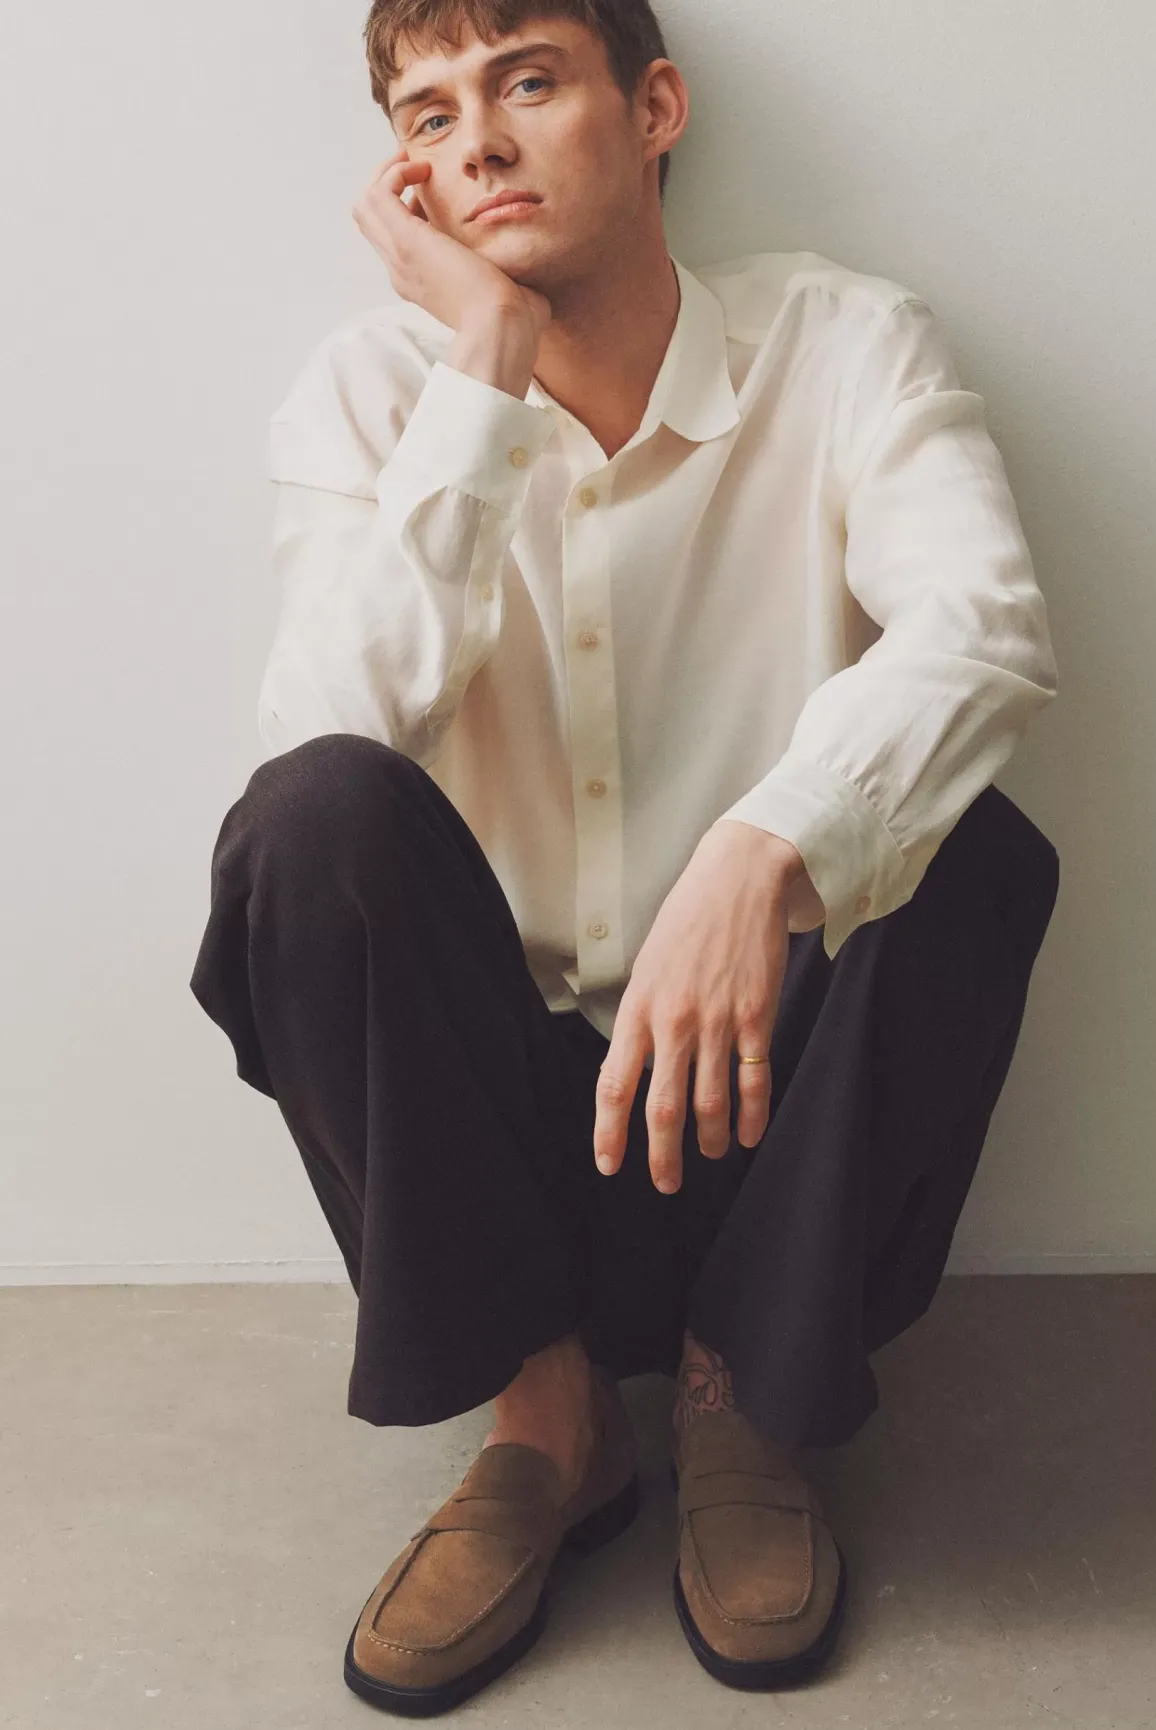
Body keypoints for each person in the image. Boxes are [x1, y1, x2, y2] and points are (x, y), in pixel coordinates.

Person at [189, 0, 1061, 1713]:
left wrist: (766, 847)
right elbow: (321, 747)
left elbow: (987, 631)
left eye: (525, 81)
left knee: (972, 845)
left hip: (764, 1121)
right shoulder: (370, 395)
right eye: (428, 116)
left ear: (654, 107)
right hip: (495, 1158)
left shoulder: (846, 344)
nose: (478, 143)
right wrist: (483, 366)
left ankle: (750, 1404)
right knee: (308, 823)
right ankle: (549, 1413)